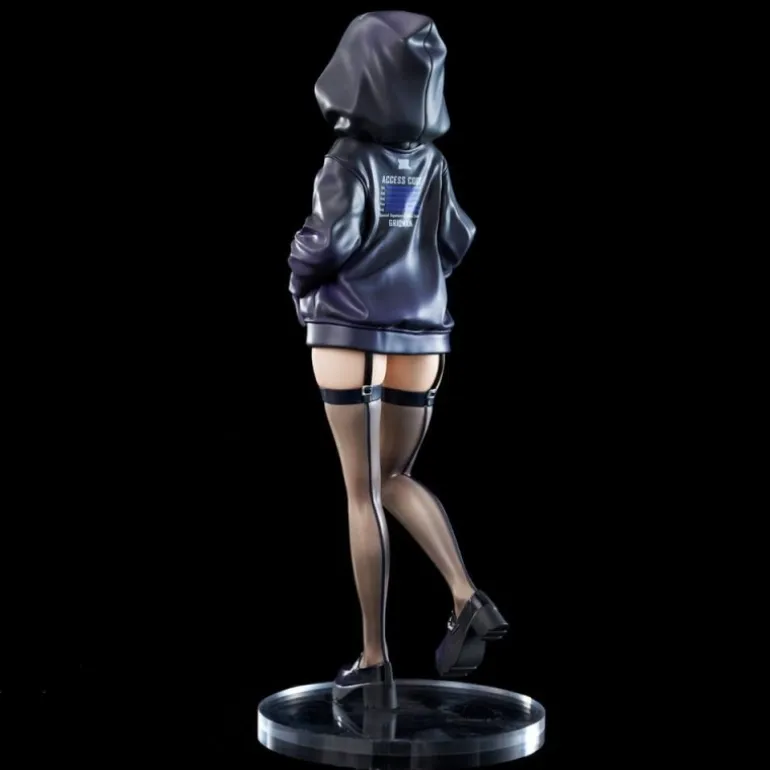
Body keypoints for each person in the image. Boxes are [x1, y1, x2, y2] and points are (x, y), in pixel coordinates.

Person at [288, 11, 507, 709]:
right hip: (423, 335)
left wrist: (296, 273)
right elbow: (456, 239)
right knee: (394, 478)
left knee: (362, 492)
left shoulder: (347, 160)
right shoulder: (433, 162)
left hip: (348, 330)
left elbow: (328, 243)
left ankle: (374, 659)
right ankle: (465, 594)